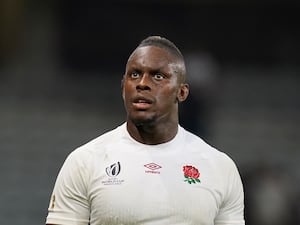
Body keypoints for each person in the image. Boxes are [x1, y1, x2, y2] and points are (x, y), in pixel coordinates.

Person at [46, 36, 245, 225]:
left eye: (158, 76)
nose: (142, 84)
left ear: (181, 92)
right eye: (134, 74)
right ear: (123, 87)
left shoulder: (219, 168)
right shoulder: (85, 162)